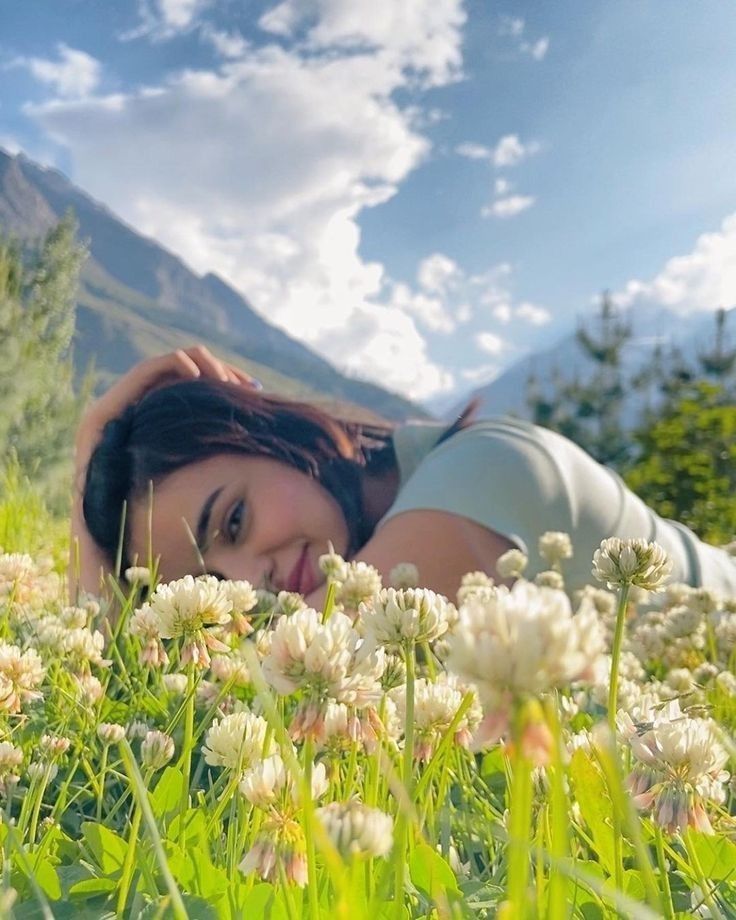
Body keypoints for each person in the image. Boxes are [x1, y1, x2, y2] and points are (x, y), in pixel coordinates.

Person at [71, 345, 736, 605]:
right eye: (210, 587)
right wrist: (89, 473)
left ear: (273, 435)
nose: (251, 582)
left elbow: (310, 692)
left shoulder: (482, 472)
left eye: (234, 521)